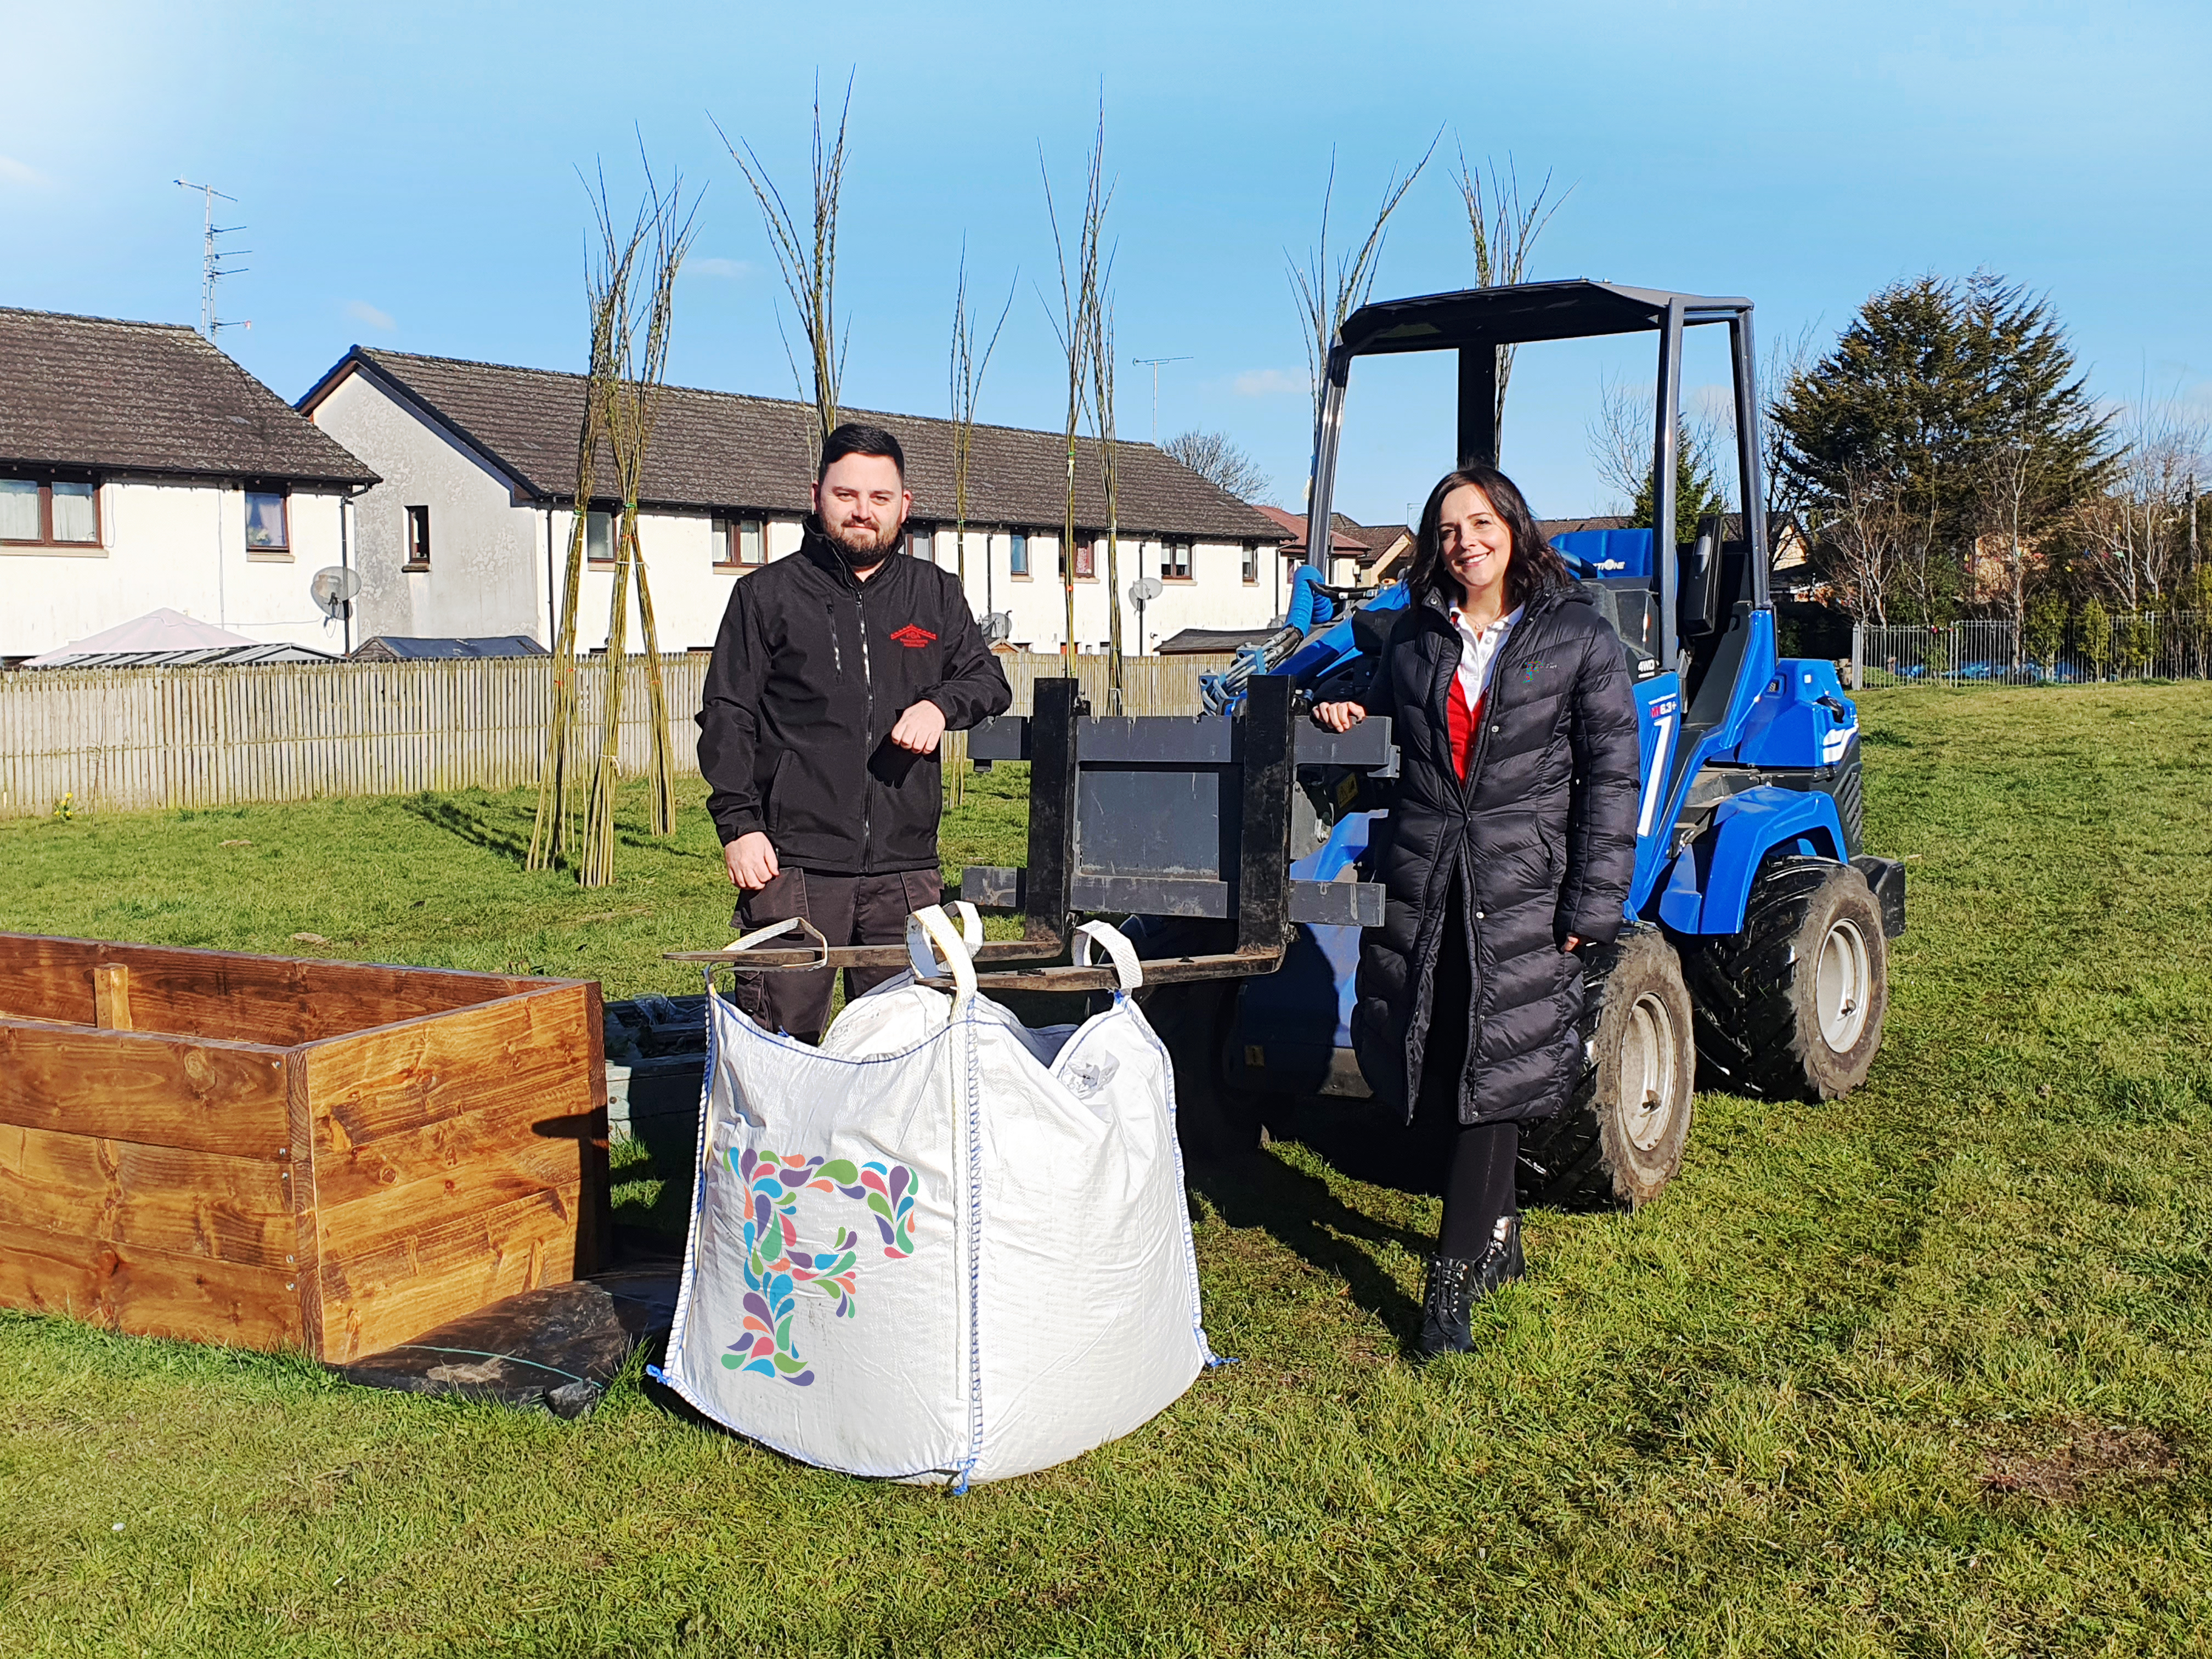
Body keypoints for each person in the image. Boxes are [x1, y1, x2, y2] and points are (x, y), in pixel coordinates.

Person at [1313, 463, 1639, 1358]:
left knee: (1492, 1075)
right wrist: (1343, 706)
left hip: (1524, 886)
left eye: (1480, 521)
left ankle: (1445, 1291)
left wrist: (1594, 898)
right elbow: (1380, 711)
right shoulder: (1418, 639)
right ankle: (1502, 1240)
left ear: (1512, 525)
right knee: (1455, 1053)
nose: (1465, 541)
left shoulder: (1576, 637)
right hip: (1431, 885)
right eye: (1448, 529)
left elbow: (1612, 780)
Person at [697, 422, 1012, 1042]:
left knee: (906, 1042)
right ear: (817, 495)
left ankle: (878, 1145)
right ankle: (779, 1142)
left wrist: (941, 706)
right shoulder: (766, 596)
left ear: (905, 505)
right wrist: (739, 824)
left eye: (880, 498)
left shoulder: (937, 595)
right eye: (847, 496)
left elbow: (988, 678)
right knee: (782, 1040)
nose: (863, 512)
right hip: (792, 867)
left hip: (906, 869)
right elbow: (727, 713)